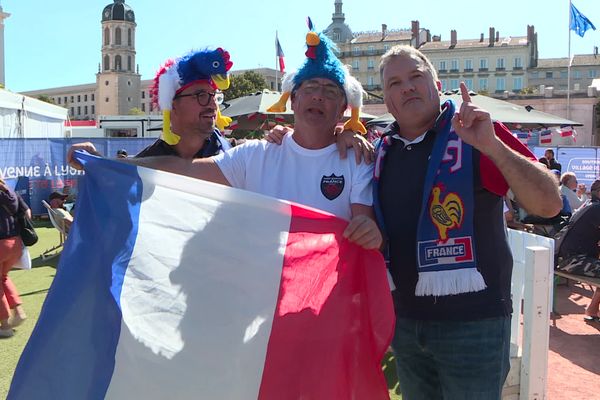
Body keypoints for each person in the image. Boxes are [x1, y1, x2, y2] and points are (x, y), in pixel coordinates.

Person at [69, 31, 382, 251]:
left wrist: (370, 233)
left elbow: (364, 227)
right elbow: (182, 168)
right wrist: (107, 163)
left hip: (327, 310)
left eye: (330, 91)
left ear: (344, 107)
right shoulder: (252, 156)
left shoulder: (357, 159)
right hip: (254, 305)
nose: (318, 95)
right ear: (293, 99)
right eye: (310, 86)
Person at [373, 45, 562, 399]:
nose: (407, 87)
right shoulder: (381, 150)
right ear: (386, 100)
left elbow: (549, 204)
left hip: (473, 325)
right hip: (406, 325)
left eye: (416, 76)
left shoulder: (473, 131)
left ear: (436, 83)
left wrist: (493, 146)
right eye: (394, 83)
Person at [135, 48, 239, 160]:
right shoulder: (142, 168)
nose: (213, 105)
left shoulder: (234, 155)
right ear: (172, 105)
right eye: (201, 95)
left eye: (214, 95)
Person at [556, 179, 600, 322]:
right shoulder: (596, 209)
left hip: (568, 257)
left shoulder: (590, 205)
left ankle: (592, 310)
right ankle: (592, 310)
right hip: (572, 260)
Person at [0, 178, 27, 338]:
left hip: (1, 244)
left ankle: (5, 325)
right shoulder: (10, 192)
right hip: (16, 244)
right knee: (3, 277)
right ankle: (19, 311)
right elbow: (27, 212)